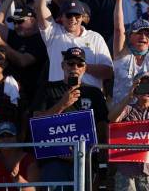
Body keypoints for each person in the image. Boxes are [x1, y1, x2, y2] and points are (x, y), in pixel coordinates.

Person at [32, 47, 109, 189]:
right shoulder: (48, 89)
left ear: (85, 68)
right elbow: (37, 123)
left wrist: (101, 165)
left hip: (85, 160)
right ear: (63, 65)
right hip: (54, 162)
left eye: (79, 64)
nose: (75, 67)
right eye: (70, 63)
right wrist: (62, 104)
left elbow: (102, 130)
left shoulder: (94, 93)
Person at [36, 0, 113, 90]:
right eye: (69, 15)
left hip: (89, 96)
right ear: (61, 17)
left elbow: (109, 72)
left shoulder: (95, 37)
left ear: (82, 17)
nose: (73, 19)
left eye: (77, 15)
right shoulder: (53, 33)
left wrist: (80, 66)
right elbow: (40, 7)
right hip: (59, 94)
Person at [108, 72, 149, 191]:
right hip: (126, 171)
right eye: (140, 86)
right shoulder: (128, 108)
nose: (145, 91)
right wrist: (129, 96)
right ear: (134, 88)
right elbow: (112, 118)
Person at [0, 121, 40, 191]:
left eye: (9, 135)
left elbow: (35, 189)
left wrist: (18, 179)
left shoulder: (28, 159)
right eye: (1, 136)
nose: (5, 139)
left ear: (17, 138)